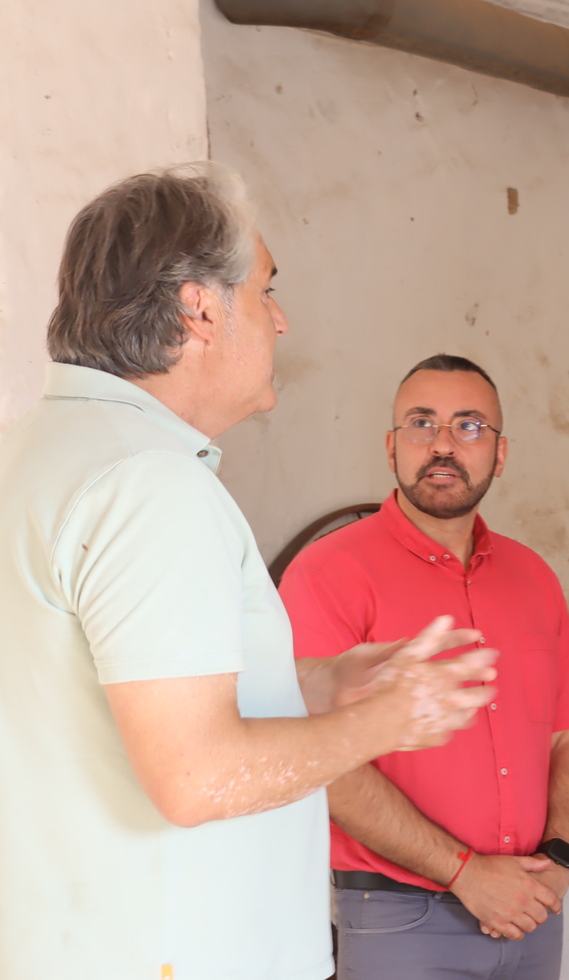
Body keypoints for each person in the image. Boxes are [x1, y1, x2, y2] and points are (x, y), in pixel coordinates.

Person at [0, 164, 496, 980]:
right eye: (265, 290)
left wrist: (319, 684)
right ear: (199, 310)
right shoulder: (148, 484)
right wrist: (387, 722)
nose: (281, 319)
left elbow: (125, 695)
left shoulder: (45, 450)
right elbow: (196, 775)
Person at [279, 354, 569, 979]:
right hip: (403, 918)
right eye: (422, 423)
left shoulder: (533, 576)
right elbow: (318, 759)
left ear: (500, 454)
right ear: (392, 447)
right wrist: (466, 874)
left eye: (469, 426)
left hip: (534, 907)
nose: (444, 444)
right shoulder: (327, 574)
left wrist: (561, 858)